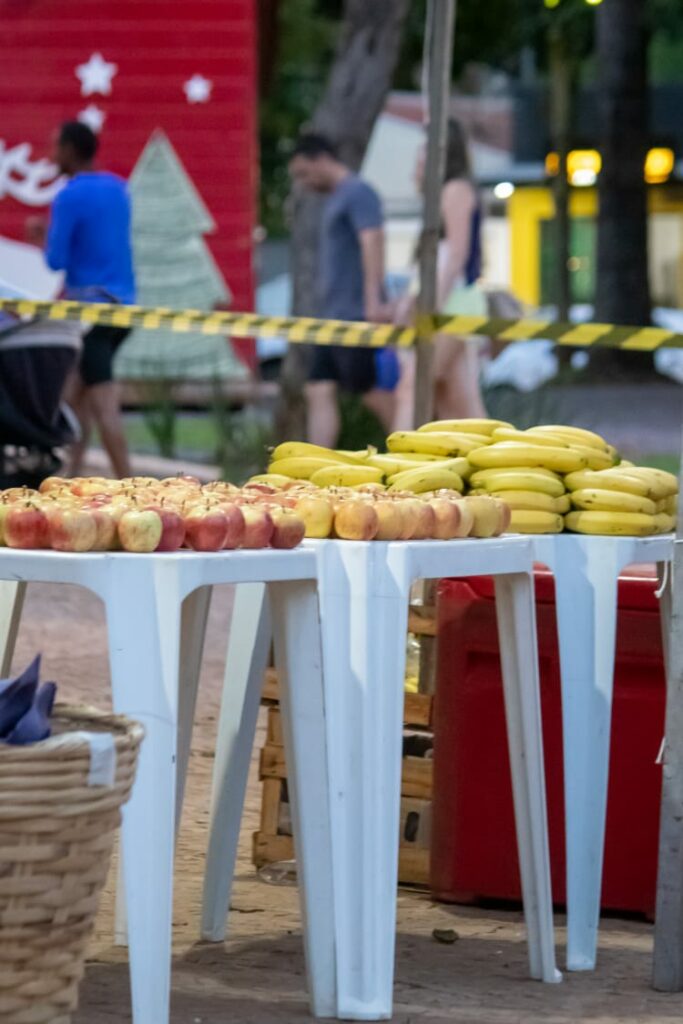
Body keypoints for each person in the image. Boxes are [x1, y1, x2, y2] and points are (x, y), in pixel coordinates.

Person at [29, 121, 136, 477]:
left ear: (71, 151)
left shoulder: (69, 195)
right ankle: (65, 479)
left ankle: (130, 487)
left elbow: (56, 260)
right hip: (125, 309)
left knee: (103, 403)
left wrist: (43, 235)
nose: (51, 155)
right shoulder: (118, 189)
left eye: (56, 147)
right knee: (74, 399)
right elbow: (101, 244)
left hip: (89, 313)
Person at [288, 133, 398, 447]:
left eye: (303, 173)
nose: (304, 182)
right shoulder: (336, 197)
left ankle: (417, 449)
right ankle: (315, 464)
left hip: (354, 313)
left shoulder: (358, 192)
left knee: (372, 391)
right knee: (318, 388)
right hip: (331, 317)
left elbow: (372, 241)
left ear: (321, 159)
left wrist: (373, 300)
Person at [393, 119, 488, 429]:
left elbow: (456, 255)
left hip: (453, 303)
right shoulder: (448, 193)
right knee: (456, 403)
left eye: (424, 151)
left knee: (412, 388)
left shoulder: (456, 190)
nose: (419, 158)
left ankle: (398, 463)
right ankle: (495, 463)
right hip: (453, 302)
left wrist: (431, 305)